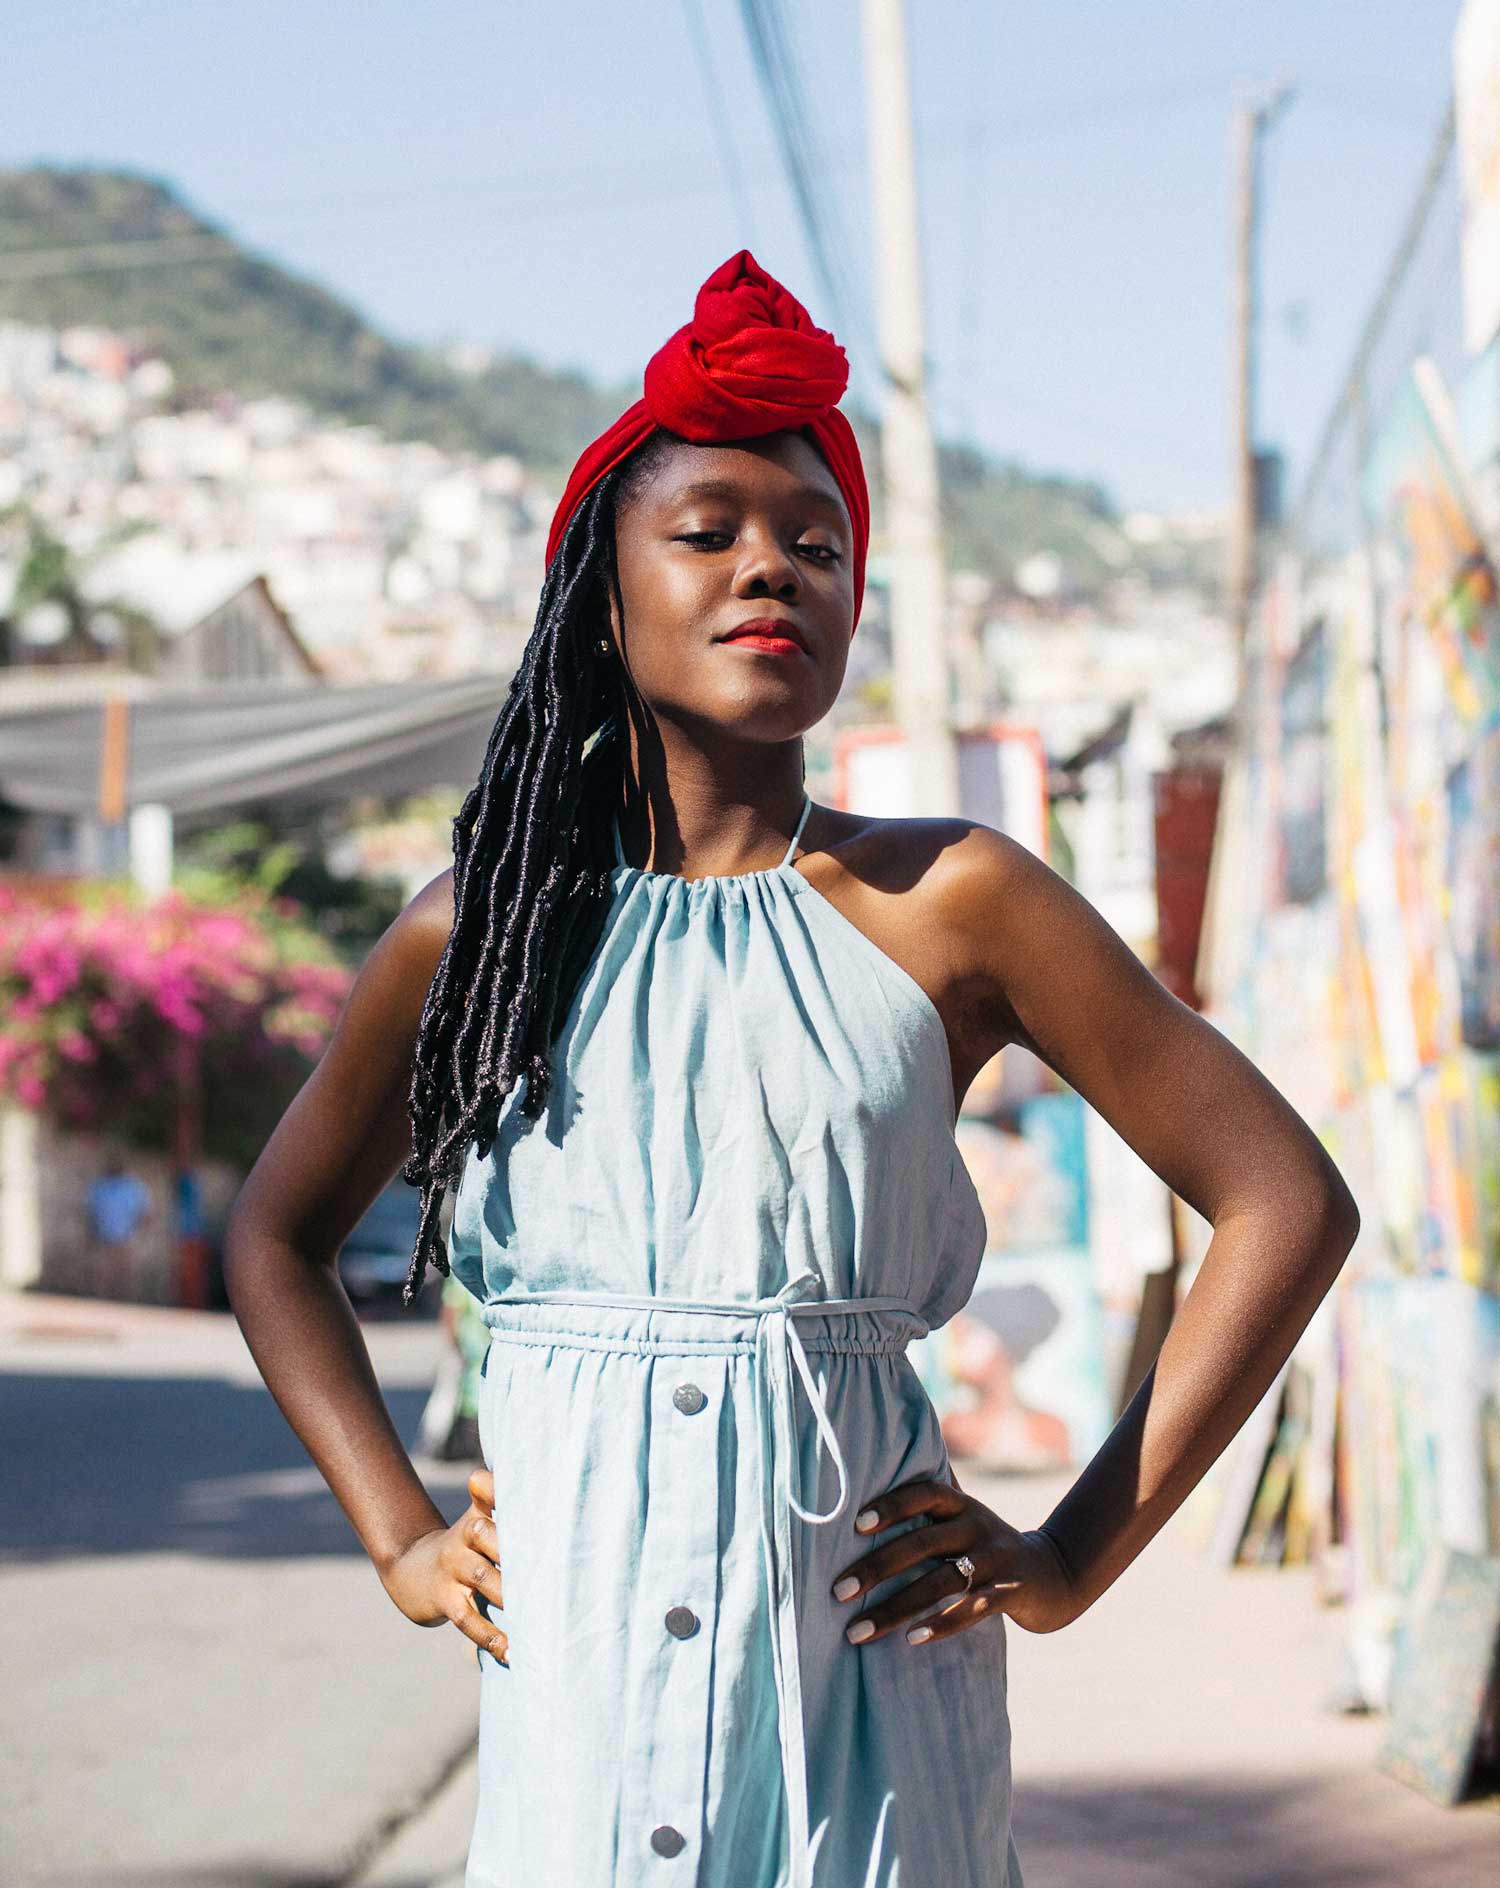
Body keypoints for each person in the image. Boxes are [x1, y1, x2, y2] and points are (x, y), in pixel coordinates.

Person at [224, 250, 1359, 1887]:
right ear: (597, 600)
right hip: (583, 1720)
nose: (772, 568)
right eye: (708, 535)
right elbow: (276, 1235)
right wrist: (400, 1533)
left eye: (816, 545)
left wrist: (1067, 1555)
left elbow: (1280, 1196)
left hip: (868, 1710)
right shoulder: (475, 930)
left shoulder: (953, 897)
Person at [85, 1154, 152, 1300]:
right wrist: (92, 1232)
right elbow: (91, 1211)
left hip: (127, 1236)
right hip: (105, 1236)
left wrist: (136, 1230)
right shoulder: (100, 1186)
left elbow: (144, 1211)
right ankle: (103, 1304)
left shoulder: (132, 1186)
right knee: (105, 1274)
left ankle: (130, 1304)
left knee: (128, 1274)